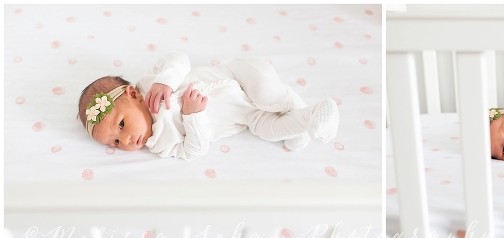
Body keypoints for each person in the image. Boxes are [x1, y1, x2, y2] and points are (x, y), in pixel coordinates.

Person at [77, 52, 338, 160]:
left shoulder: (150, 83)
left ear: (133, 94)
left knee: (267, 94)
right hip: (247, 116)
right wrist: (193, 117)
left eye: (120, 125)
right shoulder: (161, 143)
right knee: (268, 130)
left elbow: (180, 59)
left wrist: (167, 82)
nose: (126, 140)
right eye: (115, 143)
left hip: (242, 76)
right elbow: (195, 151)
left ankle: (297, 106)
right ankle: (310, 118)